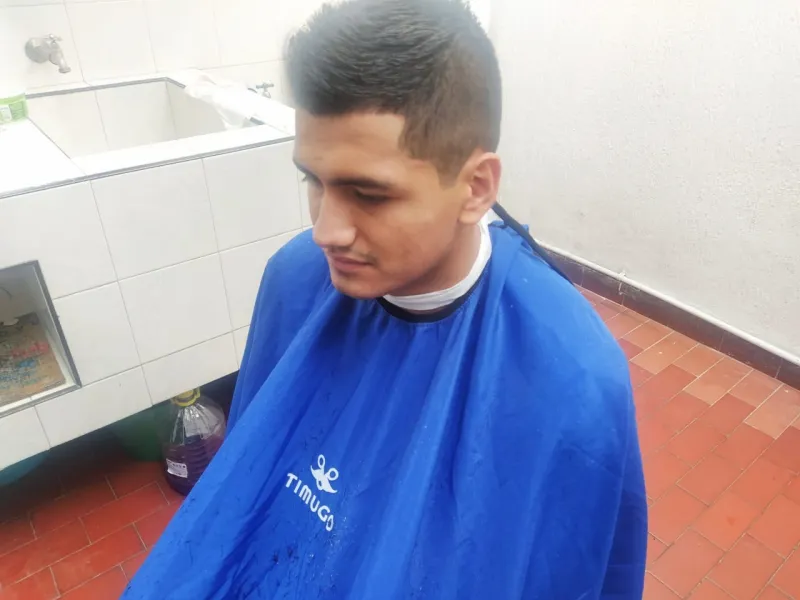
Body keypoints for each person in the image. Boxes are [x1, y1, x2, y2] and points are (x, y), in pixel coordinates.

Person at [123, 0, 647, 598]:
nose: (325, 231)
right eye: (313, 180)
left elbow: (574, 573)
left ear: (476, 188)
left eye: (369, 194)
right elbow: (248, 480)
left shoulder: (570, 377)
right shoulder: (295, 279)